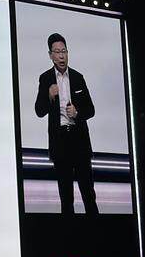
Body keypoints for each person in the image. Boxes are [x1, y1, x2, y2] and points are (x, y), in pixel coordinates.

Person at [34, 33, 99, 215]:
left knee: (88, 194)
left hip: (79, 140)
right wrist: (49, 96)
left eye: (64, 51)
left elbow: (91, 110)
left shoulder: (78, 77)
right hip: (60, 142)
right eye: (57, 52)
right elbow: (39, 111)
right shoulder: (45, 78)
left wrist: (77, 113)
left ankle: (96, 229)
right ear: (50, 55)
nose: (61, 56)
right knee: (66, 197)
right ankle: (69, 231)